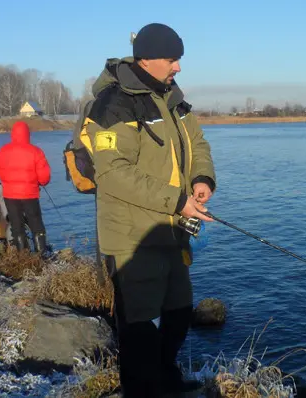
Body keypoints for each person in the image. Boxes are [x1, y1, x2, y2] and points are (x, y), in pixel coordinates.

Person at [84, 23, 216, 397]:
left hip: (173, 228)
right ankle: (142, 389)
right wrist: (177, 200)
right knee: (139, 325)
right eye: (172, 60)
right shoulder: (114, 104)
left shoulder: (173, 97)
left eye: (179, 60)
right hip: (132, 235)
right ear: (146, 58)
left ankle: (166, 379)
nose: (178, 67)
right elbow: (112, 174)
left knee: (178, 311)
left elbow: (199, 143)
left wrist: (202, 179)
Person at [0, 121, 51, 253]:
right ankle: (41, 255)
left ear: (13, 134)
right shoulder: (36, 151)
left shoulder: (3, 151)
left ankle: (23, 256)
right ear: (27, 134)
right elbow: (44, 177)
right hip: (30, 195)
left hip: (10, 195)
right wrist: (40, 182)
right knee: (36, 226)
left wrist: (9, 183)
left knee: (17, 226)